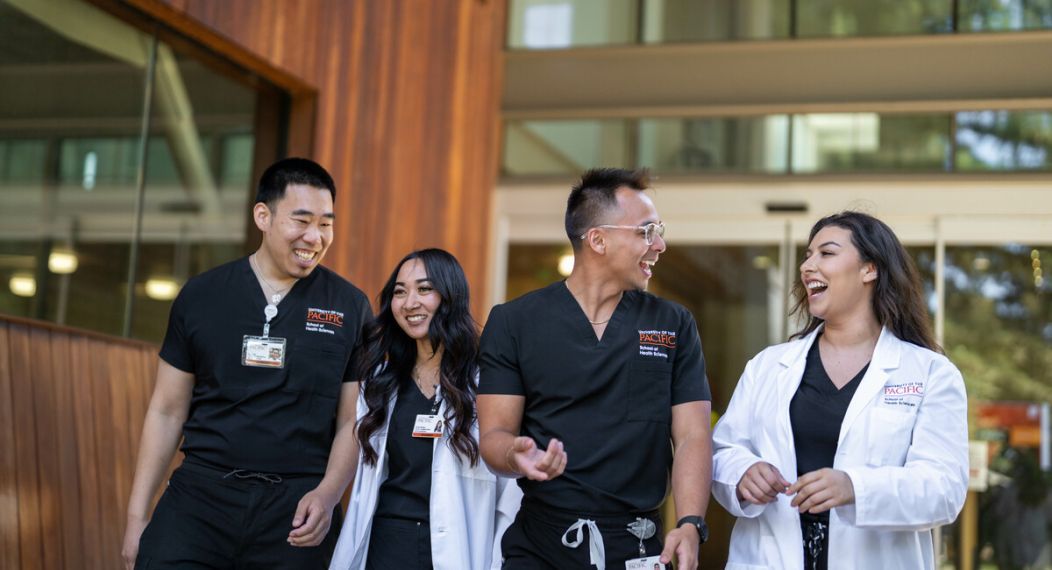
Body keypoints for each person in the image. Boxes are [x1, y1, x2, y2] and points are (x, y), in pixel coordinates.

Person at [121, 158, 372, 569]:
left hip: (297, 511)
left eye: (326, 223)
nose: (314, 236)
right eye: (301, 220)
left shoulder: (349, 306)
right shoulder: (202, 295)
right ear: (263, 216)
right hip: (201, 498)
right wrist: (136, 519)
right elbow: (166, 411)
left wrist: (328, 496)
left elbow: (353, 420)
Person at [477, 168, 713, 569]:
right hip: (539, 546)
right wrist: (517, 456)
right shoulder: (514, 322)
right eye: (646, 231)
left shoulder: (673, 324)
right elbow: (495, 435)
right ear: (598, 239)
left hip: (638, 545)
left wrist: (690, 523)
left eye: (659, 230)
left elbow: (692, 435)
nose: (660, 244)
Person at [712, 211, 969, 570]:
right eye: (807, 255)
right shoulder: (768, 367)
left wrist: (855, 487)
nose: (807, 266)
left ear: (870, 269)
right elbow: (724, 449)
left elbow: (943, 490)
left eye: (826, 253)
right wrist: (742, 473)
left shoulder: (930, 373)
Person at [329, 248, 521, 569]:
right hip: (386, 543)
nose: (409, 302)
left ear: (450, 296)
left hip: (454, 546)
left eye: (424, 289)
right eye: (399, 292)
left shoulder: (485, 381)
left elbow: (508, 494)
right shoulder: (380, 382)